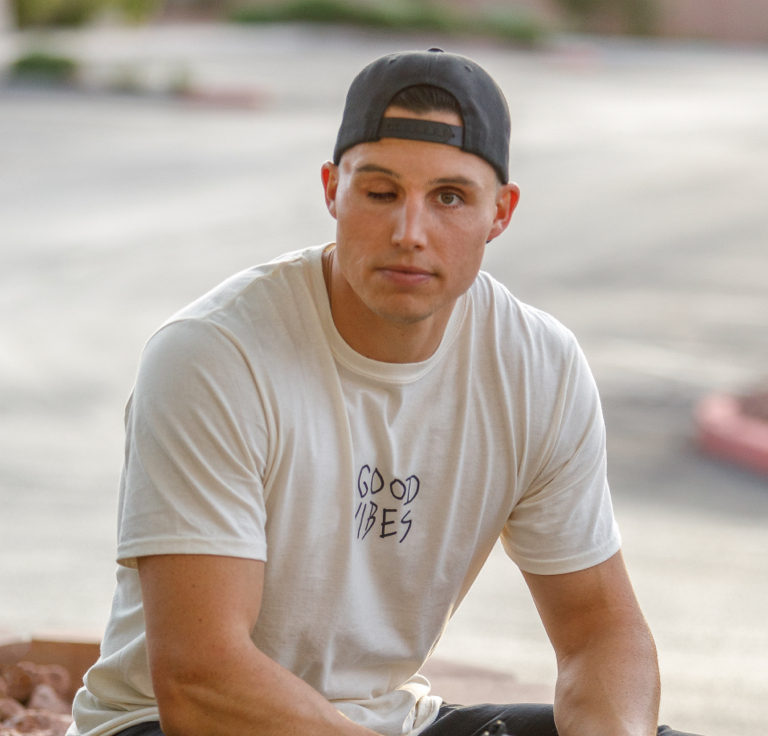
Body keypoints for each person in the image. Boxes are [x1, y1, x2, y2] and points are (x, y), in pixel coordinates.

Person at [69, 49, 702, 736]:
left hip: (380, 724)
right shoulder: (215, 355)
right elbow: (203, 677)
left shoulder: (537, 366)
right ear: (332, 190)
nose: (410, 232)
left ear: (502, 212)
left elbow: (601, 632)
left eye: (450, 198)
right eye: (380, 192)